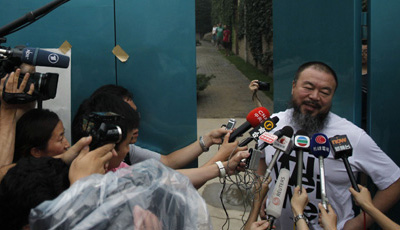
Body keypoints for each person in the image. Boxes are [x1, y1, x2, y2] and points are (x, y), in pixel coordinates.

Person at [256, 61, 400, 229]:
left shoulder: (352, 136)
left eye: (325, 92)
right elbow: (262, 159)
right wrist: (259, 197)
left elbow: (394, 181)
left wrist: (359, 223)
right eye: (308, 87)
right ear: (293, 86)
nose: (315, 96)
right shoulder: (274, 124)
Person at [78, 84, 246, 169]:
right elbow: (179, 184)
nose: (135, 126)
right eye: (127, 120)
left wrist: (207, 140)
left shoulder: (123, 156)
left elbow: (168, 162)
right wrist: (222, 160)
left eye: (135, 117)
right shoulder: (117, 175)